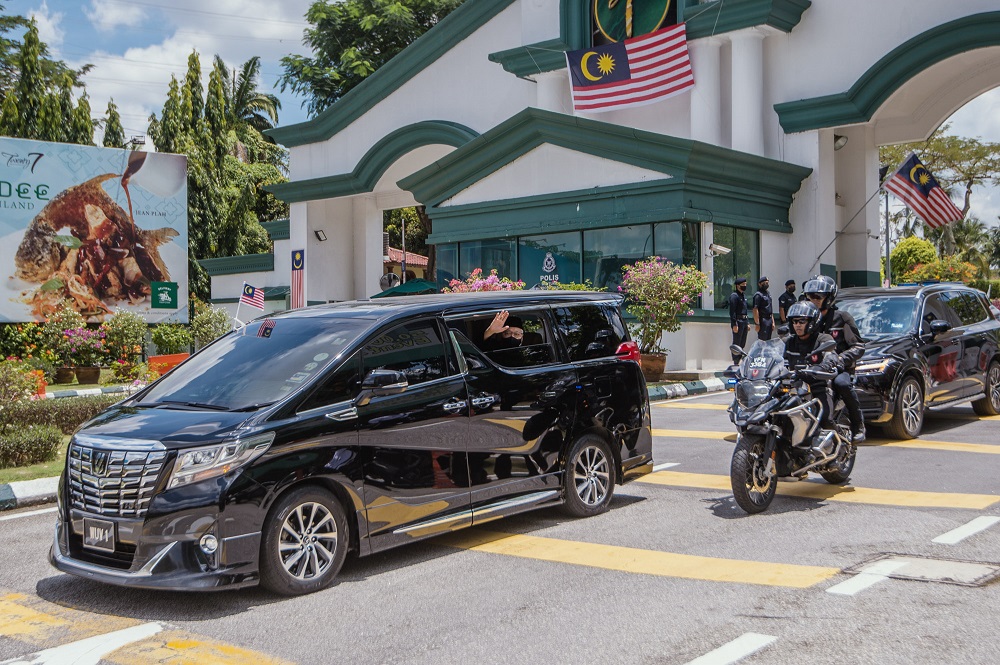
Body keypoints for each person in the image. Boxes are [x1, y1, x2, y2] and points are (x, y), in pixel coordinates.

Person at [803, 275, 867, 443]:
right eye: (810, 297)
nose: (813, 301)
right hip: (813, 368)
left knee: (842, 384)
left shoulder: (842, 318)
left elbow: (858, 346)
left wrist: (840, 359)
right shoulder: (805, 319)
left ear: (829, 298)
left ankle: (858, 425)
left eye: (818, 297)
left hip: (838, 369)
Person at [783, 301, 841, 429]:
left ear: (812, 322)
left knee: (825, 419)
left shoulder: (823, 339)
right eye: (795, 321)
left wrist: (822, 367)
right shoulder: (789, 342)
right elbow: (776, 357)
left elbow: (831, 356)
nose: (797, 325)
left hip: (818, 385)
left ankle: (835, 436)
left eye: (802, 321)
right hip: (794, 386)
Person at [728, 277, 749, 362]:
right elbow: (732, 311)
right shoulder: (734, 296)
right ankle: (735, 361)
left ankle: (740, 359)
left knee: (742, 342)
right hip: (738, 321)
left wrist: (747, 323)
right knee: (737, 342)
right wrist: (734, 324)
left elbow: (745, 310)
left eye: (745, 284)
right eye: (743, 284)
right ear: (737, 286)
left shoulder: (743, 296)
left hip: (744, 321)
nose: (745, 286)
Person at [752, 276, 774, 340]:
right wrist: (757, 323)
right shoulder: (758, 295)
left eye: (767, 283)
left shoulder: (768, 293)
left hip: (769, 319)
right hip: (763, 320)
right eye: (764, 283)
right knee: (763, 340)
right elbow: (755, 309)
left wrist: (773, 321)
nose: (766, 284)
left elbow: (770, 308)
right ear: (759, 284)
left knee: (768, 340)